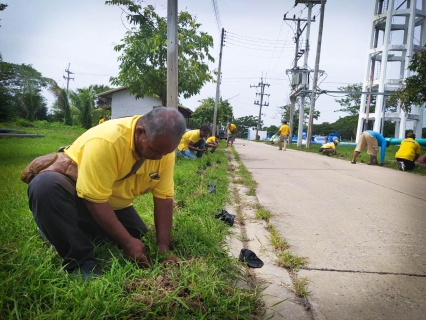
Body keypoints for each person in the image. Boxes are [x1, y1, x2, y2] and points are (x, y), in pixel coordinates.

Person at [27, 108, 187, 279]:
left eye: (165, 153)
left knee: (137, 235)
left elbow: (164, 198)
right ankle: (80, 263)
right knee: (45, 186)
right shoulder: (107, 141)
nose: (159, 157)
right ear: (140, 132)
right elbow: (94, 199)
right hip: (80, 195)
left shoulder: (162, 151)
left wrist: (163, 247)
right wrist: (127, 243)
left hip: (112, 201)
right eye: (155, 150)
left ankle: (61, 227)